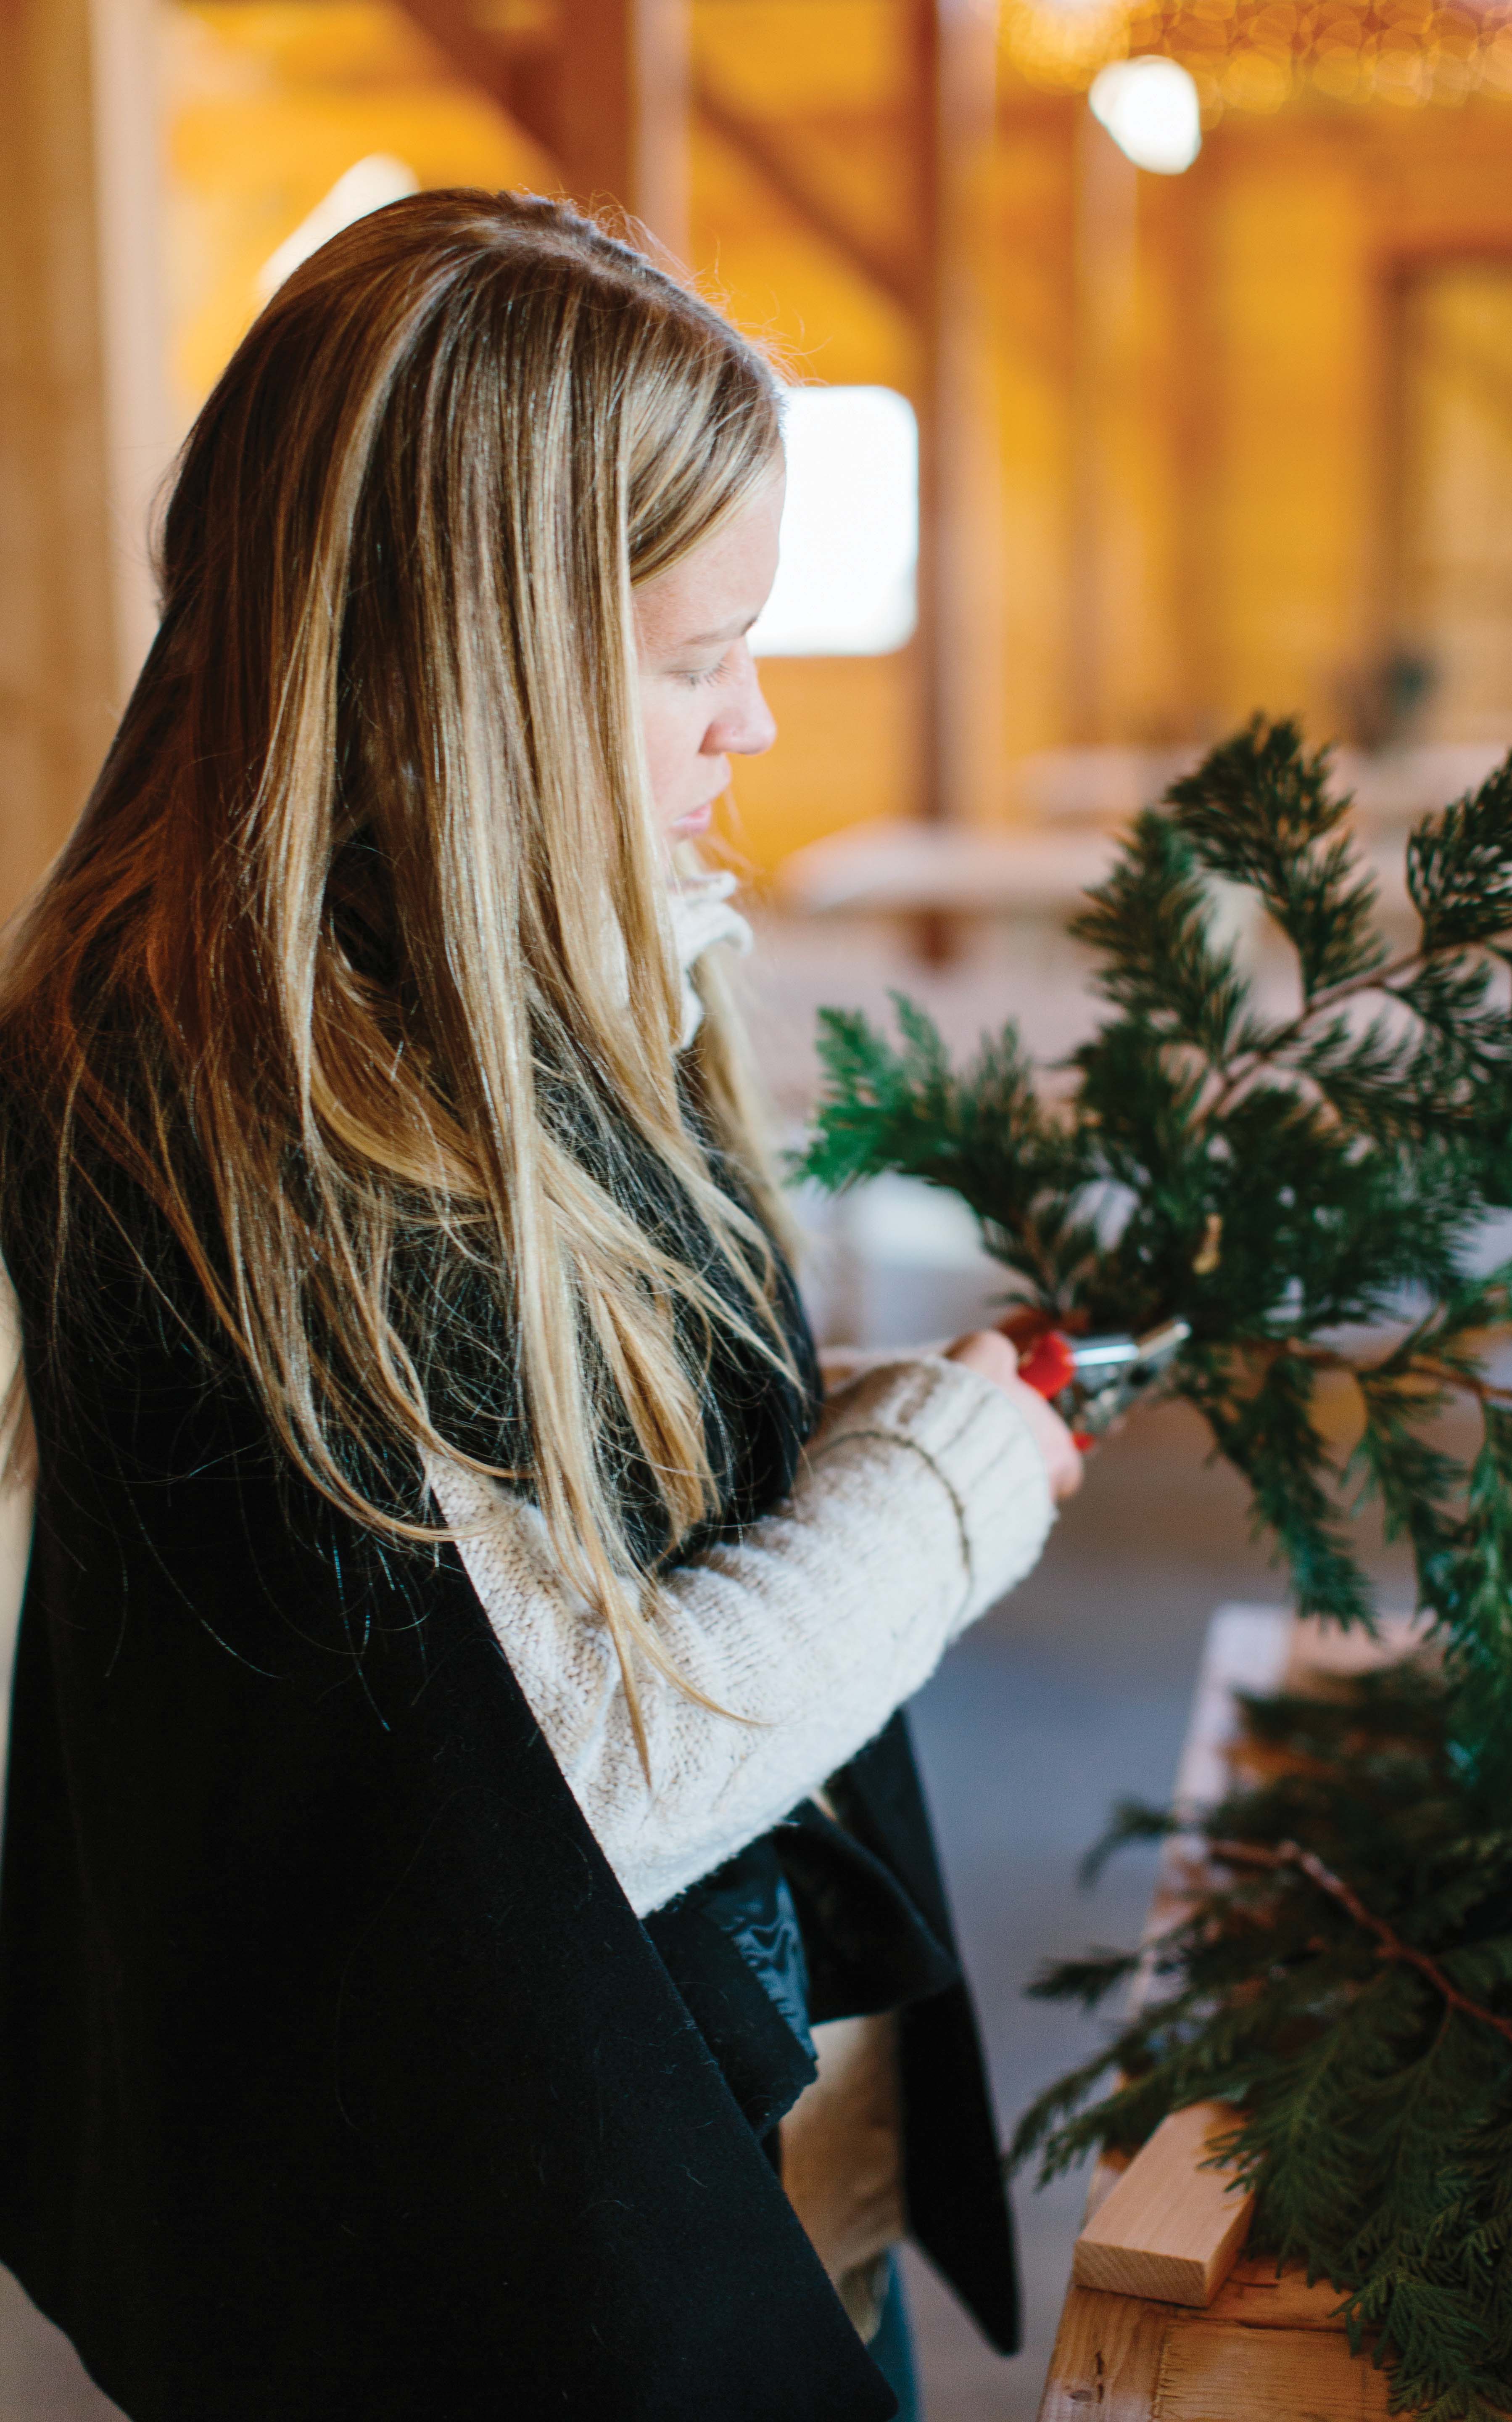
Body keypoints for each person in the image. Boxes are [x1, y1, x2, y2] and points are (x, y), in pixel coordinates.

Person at [0, 190, 1080, 2422]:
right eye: (698, 659)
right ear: (466, 657)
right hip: (503, 2260)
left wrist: (838, 1418)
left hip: (727, 2147)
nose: (756, 721)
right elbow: (560, 1777)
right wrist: (944, 1509)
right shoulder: (260, 1102)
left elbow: (577, 1487)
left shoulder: (522, 987)